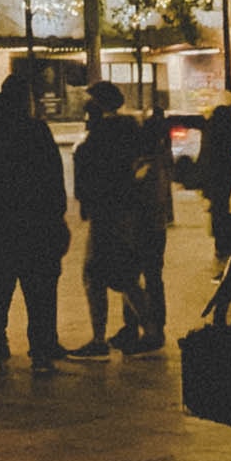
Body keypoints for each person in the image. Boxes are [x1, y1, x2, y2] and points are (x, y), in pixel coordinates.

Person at [0, 75, 71, 374]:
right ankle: (40, 352)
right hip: (36, 225)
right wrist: (57, 216)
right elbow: (53, 177)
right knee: (39, 292)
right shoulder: (37, 131)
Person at [70, 84, 165, 357]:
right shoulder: (131, 129)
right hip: (128, 211)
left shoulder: (101, 135)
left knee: (96, 273)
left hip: (107, 213)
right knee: (123, 273)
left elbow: (91, 176)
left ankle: (103, 338)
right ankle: (149, 328)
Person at [196, 100, 231, 266]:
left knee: (218, 212)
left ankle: (221, 247)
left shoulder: (210, 125)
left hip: (212, 176)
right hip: (228, 174)